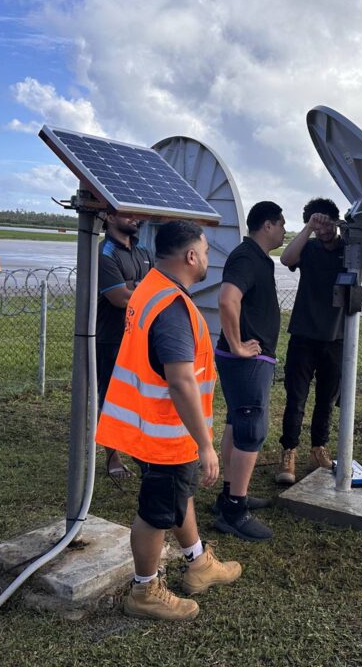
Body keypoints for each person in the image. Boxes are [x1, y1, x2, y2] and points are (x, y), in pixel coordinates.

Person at [95, 220, 242, 621]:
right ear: (190, 256)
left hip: (155, 426)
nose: (209, 258)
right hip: (165, 430)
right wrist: (207, 444)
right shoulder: (172, 307)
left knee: (179, 495)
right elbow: (179, 381)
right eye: (207, 251)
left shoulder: (150, 287)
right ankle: (144, 591)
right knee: (155, 511)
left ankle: (197, 564)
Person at [275, 198, 362, 484]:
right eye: (319, 224)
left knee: (326, 400)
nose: (324, 229)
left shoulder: (347, 249)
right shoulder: (309, 248)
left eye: (328, 221)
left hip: (336, 339)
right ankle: (288, 451)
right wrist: (308, 229)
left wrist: (353, 242)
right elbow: (286, 259)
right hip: (304, 335)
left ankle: (318, 448)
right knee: (296, 398)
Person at [212, 201, 286, 542]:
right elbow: (228, 299)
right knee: (251, 428)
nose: (285, 231)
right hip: (246, 360)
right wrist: (238, 344)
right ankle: (234, 512)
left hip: (249, 359)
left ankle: (229, 495)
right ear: (268, 225)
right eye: (282, 225)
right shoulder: (247, 256)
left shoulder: (257, 258)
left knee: (236, 423)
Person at [96, 210, 154, 482]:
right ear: (108, 217)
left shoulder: (141, 250)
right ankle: (112, 457)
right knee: (112, 398)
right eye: (127, 214)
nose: (135, 218)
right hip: (112, 336)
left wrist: (135, 286)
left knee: (140, 395)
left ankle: (142, 450)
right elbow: (119, 297)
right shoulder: (105, 252)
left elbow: (155, 286)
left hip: (138, 335)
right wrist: (139, 288)